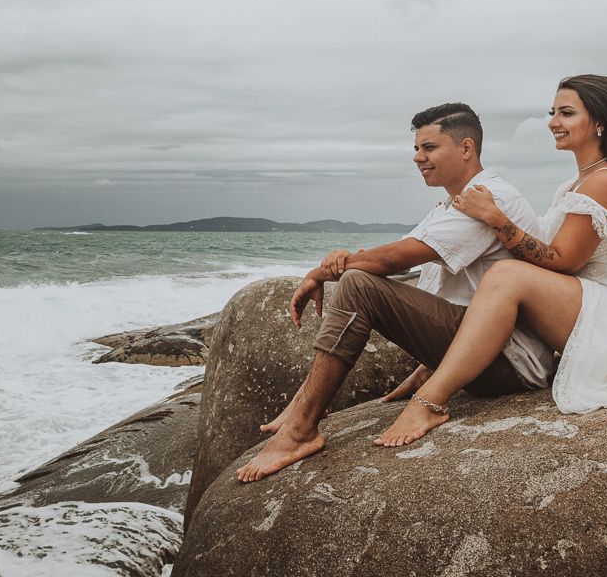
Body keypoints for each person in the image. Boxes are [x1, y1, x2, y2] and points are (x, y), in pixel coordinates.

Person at [375, 74, 607, 448]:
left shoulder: (606, 179)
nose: (553, 122)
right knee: (505, 274)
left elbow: (564, 261)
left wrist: (494, 217)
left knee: (506, 274)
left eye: (566, 113)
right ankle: (438, 375)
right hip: (590, 302)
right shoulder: (579, 181)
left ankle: (431, 402)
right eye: (552, 112)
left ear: (600, 122)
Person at [236, 103, 556, 482]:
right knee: (358, 278)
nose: (418, 158)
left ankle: (301, 430)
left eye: (429, 147)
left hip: (509, 363)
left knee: (357, 285)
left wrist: (323, 272)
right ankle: (303, 406)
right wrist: (347, 259)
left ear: (466, 148)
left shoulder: (490, 198)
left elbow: (395, 259)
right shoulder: (452, 204)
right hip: (478, 352)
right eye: (416, 149)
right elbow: (392, 256)